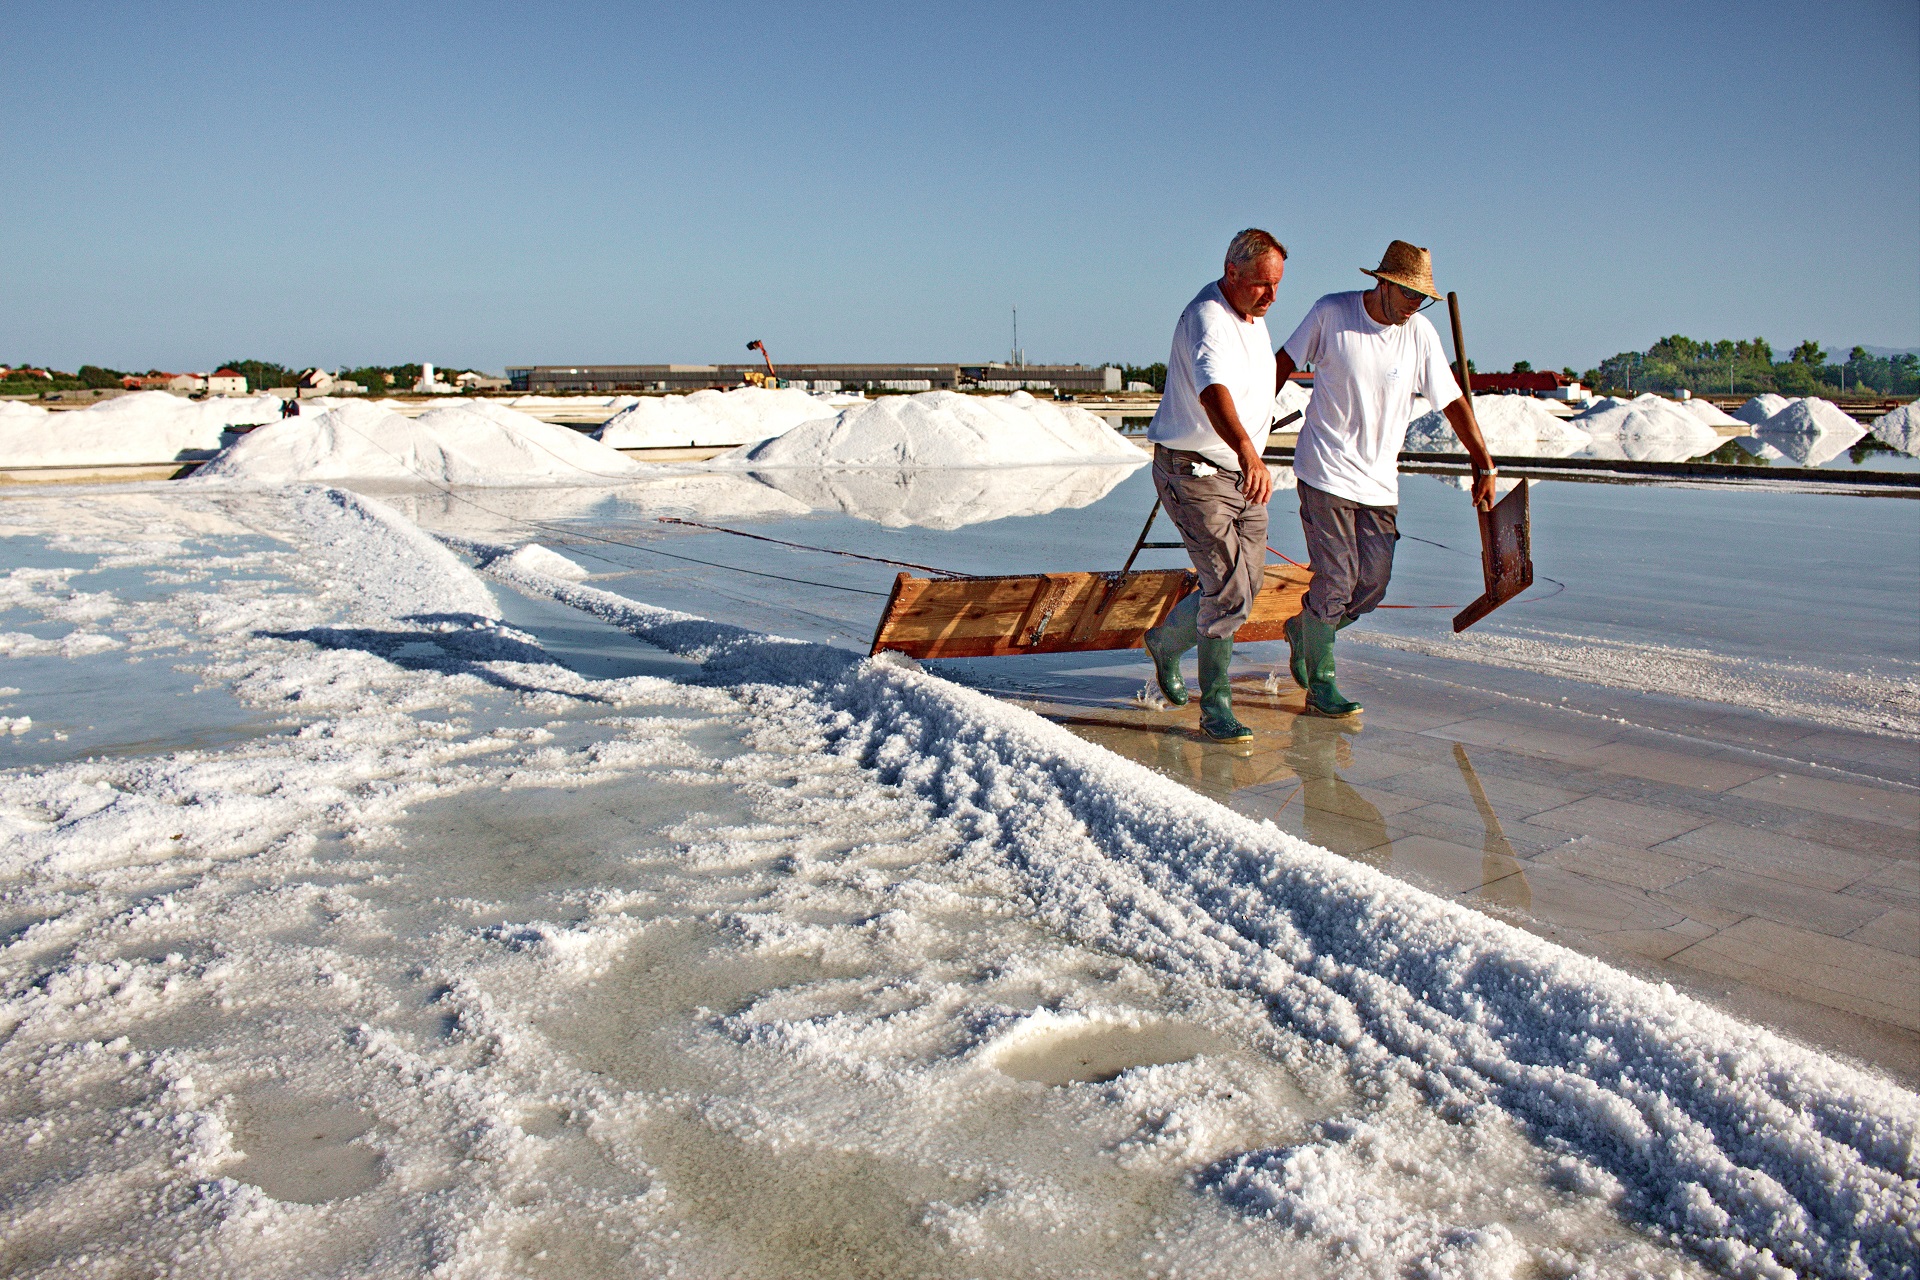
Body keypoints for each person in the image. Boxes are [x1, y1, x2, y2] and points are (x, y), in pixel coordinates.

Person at [1273, 240, 1496, 717]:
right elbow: (1282, 363)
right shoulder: (1332, 313)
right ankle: (1323, 684)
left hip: (1378, 481)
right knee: (1335, 578)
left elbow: (1452, 400)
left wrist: (1483, 460)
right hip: (1325, 470)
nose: (1416, 306)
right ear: (1385, 282)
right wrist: (1248, 431)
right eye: (1410, 295)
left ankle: (1306, 630)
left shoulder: (1420, 334)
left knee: (1371, 585)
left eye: (1423, 299)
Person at [1141, 228, 1287, 743]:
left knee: (1248, 584)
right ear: (1233, 273)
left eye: (1277, 286)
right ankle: (1216, 707)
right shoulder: (1208, 318)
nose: (1271, 297)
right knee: (1227, 586)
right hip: (1195, 470)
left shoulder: (1254, 318)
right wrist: (1249, 450)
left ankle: (1165, 642)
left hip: (1240, 474)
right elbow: (1212, 389)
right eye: (1263, 286)